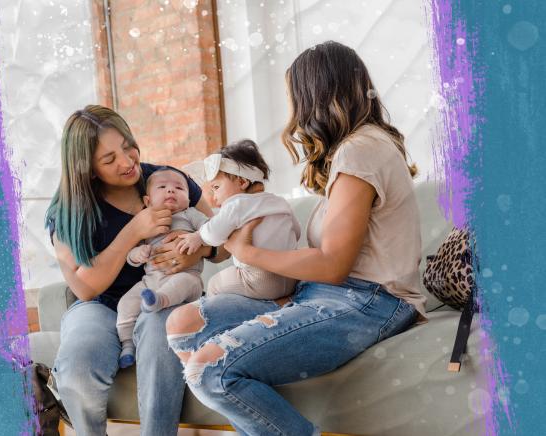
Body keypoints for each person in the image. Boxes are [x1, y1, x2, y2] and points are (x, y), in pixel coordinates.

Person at [165, 40, 427, 436]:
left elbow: (334, 265)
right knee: (184, 324)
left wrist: (247, 251)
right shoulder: (352, 151)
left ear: (314, 96)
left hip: (370, 300)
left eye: (296, 98)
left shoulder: (362, 150)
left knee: (209, 370)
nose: (295, 113)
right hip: (325, 292)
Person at [44, 105, 217, 435]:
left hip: (166, 297)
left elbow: (221, 237)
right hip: (100, 305)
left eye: (127, 146)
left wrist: (195, 248)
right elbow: (84, 288)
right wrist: (134, 231)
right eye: (109, 160)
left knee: (158, 332)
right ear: (88, 170)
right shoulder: (67, 211)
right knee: (78, 365)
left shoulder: (167, 181)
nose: (126, 162)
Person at [178, 139, 300, 299]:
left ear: (242, 182)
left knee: (214, 283)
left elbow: (214, 234)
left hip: (259, 278)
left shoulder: (236, 204)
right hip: (291, 275)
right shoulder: (279, 202)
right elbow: (296, 232)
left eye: (216, 187)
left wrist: (198, 236)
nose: (214, 198)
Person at [116, 167, 209, 368]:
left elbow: (211, 229)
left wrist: (197, 238)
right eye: (162, 187)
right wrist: (137, 255)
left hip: (187, 277)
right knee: (125, 303)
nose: (170, 191)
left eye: (179, 188)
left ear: (188, 198)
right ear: (148, 201)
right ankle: (127, 345)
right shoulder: (146, 221)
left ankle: (159, 302)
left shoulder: (190, 214)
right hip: (151, 280)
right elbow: (131, 254)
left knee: (183, 283)